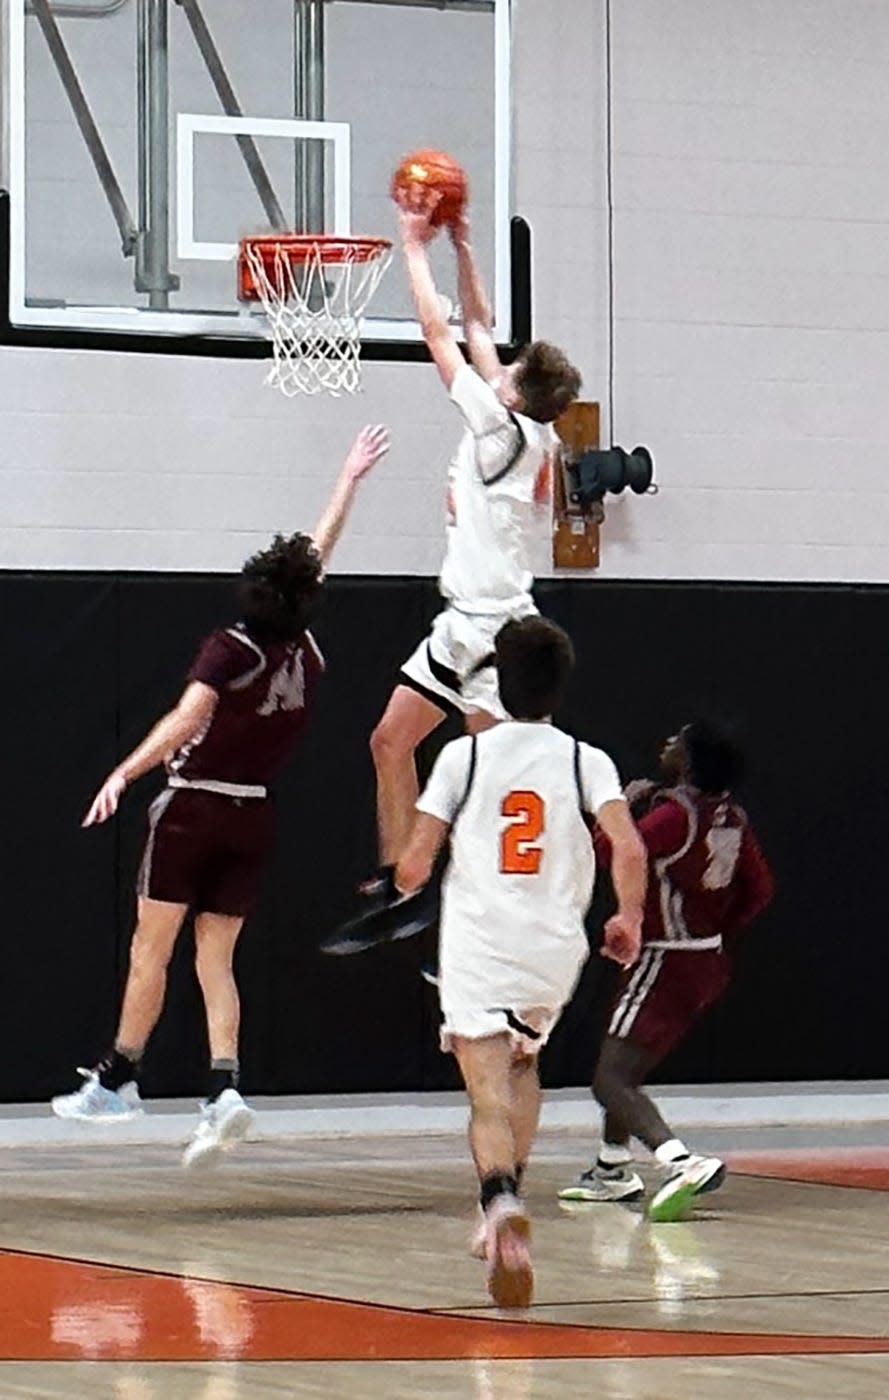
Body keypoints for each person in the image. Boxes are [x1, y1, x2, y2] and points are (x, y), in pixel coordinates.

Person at [52, 425, 391, 1169]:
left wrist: (123, 773)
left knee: (152, 950)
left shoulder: (232, 646)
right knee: (218, 960)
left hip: (193, 808)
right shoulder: (302, 647)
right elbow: (315, 557)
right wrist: (347, 480)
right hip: (253, 813)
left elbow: (184, 718)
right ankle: (225, 1089)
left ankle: (117, 1079)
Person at [393, 616, 647, 1307]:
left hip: (481, 943)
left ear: (498, 684)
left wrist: (396, 881)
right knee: (523, 1061)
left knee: (484, 1087)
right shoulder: (585, 760)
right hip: (553, 950)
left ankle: (498, 1197)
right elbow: (627, 846)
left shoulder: (463, 758)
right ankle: (502, 1205)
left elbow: (415, 864)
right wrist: (626, 915)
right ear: (559, 686)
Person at [368, 197, 582, 876]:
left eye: (510, 373)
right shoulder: (526, 425)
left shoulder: (498, 429)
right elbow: (480, 323)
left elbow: (440, 334)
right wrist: (462, 246)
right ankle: (403, 881)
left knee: (486, 778)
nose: (501, 368)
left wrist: (412, 246)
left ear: (514, 396)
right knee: (389, 741)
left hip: (498, 633)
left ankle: (476, 898)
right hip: (460, 621)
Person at [558, 720, 774, 1222]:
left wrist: (624, 811)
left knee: (609, 1079)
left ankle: (681, 1161)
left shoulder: (674, 816)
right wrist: (714, 926)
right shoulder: (731, 817)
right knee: (625, 1067)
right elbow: (759, 890)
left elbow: (612, 853)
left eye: (677, 740)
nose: (666, 744)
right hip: (703, 956)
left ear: (690, 762)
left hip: (666, 955)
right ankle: (612, 1169)